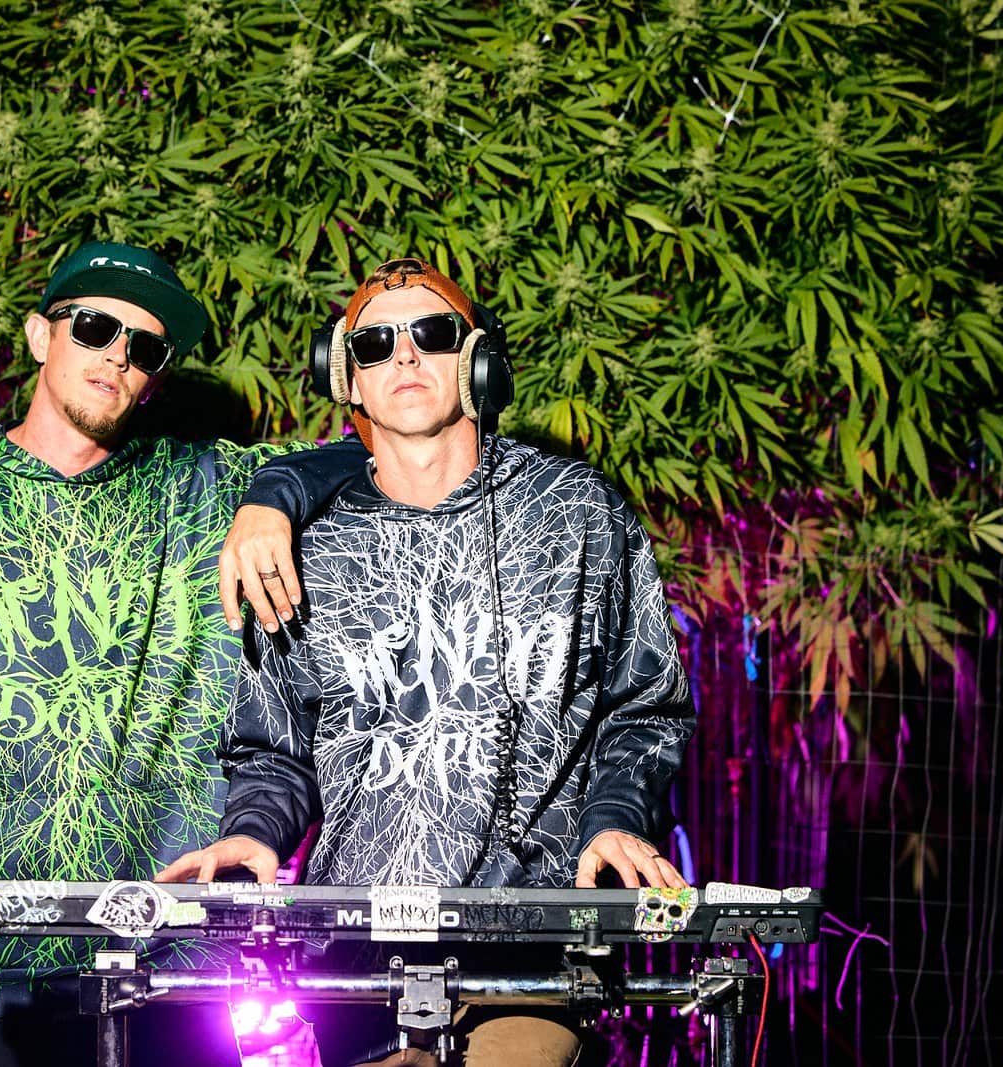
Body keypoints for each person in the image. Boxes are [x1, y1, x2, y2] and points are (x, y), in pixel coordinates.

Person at [0, 240, 363, 1066]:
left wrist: (276, 496)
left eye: (145, 347)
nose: (117, 355)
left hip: (170, 970)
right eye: (94, 327)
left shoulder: (203, 488)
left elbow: (382, 456)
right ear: (38, 335)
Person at [158, 258, 697, 1067]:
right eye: (375, 344)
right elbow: (275, 748)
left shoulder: (577, 511)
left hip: (528, 951)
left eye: (432, 334)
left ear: (478, 362)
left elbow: (644, 702)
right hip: (354, 966)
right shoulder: (303, 545)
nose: (404, 356)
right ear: (348, 379)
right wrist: (252, 832)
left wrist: (615, 815)